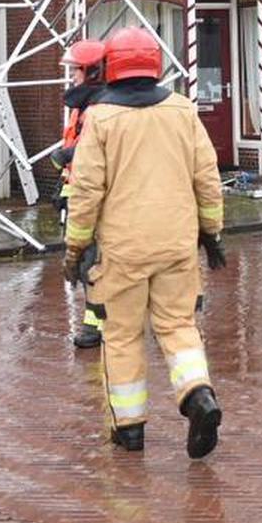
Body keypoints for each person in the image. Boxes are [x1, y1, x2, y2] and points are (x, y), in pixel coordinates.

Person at [62, 27, 226, 458]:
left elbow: (86, 192)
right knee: (178, 326)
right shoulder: (184, 111)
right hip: (176, 245)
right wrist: (211, 233)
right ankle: (197, 395)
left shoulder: (101, 119)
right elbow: (207, 179)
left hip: (123, 250)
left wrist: (74, 247)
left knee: (121, 335)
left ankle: (129, 429)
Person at [53, 39, 107, 349]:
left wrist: (67, 156)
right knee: (90, 263)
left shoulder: (100, 108)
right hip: (80, 195)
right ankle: (97, 322)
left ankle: (96, 325)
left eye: (77, 71)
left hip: (96, 199)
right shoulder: (84, 106)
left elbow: (91, 151)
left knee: (93, 264)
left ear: (93, 72)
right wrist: (62, 189)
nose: (73, 78)